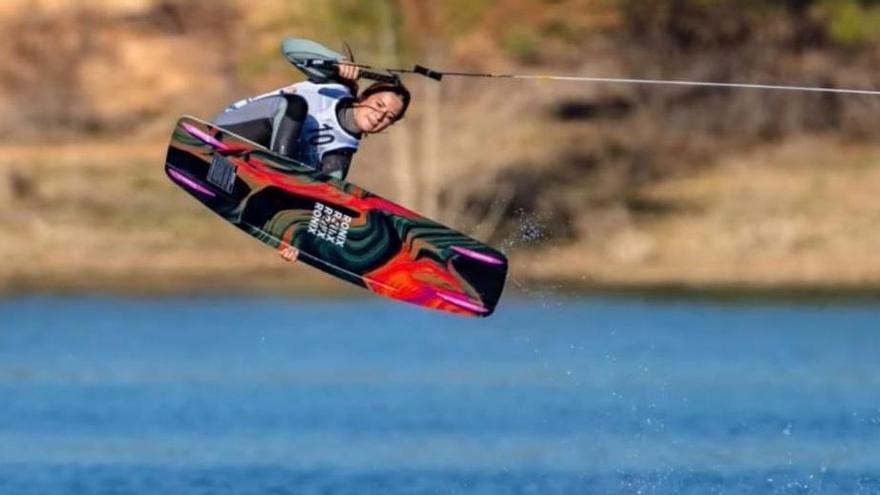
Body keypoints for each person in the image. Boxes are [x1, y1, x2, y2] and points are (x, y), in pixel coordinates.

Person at [212, 38, 411, 263]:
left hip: (247, 162)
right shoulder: (333, 85)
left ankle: (273, 193)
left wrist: (294, 239)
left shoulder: (338, 156)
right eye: (379, 105)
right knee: (294, 105)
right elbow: (289, 47)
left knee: (324, 190)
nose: (380, 116)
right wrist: (337, 61)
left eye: (389, 117)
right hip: (230, 129)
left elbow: (316, 202)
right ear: (363, 98)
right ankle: (277, 184)